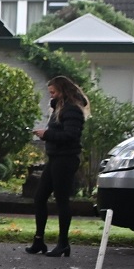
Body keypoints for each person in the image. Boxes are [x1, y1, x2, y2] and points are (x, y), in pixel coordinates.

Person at [28, 74, 89, 257]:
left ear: (62, 91)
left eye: (53, 92)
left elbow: (70, 136)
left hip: (65, 159)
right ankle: (39, 240)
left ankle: (63, 243)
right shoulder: (59, 110)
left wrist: (46, 135)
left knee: (62, 200)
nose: (51, 96)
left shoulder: (72, 111)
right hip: (55, 158)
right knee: (39, 198)